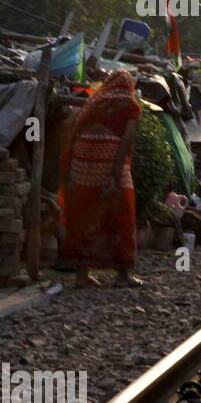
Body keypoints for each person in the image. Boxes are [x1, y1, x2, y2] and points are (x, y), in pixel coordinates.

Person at [59, 70, 143, 289]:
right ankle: (122, 274)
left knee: (83, 210)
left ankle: (81, 275)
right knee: (122, 211)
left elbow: (75, 131)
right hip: (109, 157)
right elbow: (126, 139)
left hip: (82, 162)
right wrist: (116, 170)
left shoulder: (95, 102)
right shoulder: (131, 106)